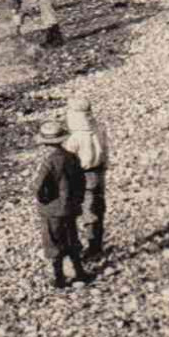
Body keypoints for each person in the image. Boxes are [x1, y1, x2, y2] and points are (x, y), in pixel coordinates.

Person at [32, 119, 92, 288]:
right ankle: (79, 272)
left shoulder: (49, 162)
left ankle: (59, 278)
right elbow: (81, 182)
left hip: (53, 210)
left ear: (45, 144)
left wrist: (44, 200)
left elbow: (38, 187)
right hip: (71, 207)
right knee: (72, 239)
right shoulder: (71, 157)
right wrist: (77, 200)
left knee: (54, 242)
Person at [65, 96, 110, 259]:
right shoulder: (99, 129)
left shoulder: (75, 137)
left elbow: (68, 162)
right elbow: (105, 152)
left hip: (82, 175)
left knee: (85, 211)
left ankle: (91, 248)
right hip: (98, 173)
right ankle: (96, 244)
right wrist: (104, 169)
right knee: (97, 208)